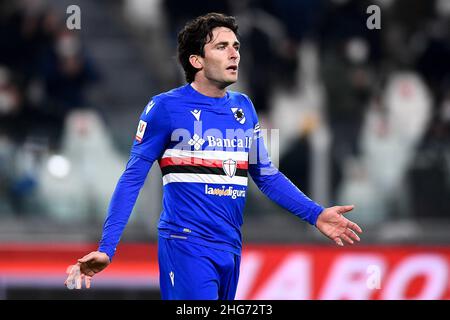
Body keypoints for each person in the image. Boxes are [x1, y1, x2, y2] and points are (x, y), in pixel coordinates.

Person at [64, 12, 362, 299]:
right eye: (222, 46)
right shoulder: (164, 108)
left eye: (236, 46)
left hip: (230, 247)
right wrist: (107, 247)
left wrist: (316, 213)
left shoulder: (243, 108)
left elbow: (267, 176)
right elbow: (132, 179)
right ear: (196, 61)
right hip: (186, 244)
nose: (234, 54)